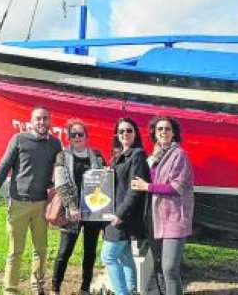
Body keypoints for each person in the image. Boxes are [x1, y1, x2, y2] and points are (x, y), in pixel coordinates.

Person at [0, 106, 62, 295]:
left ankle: (38, 286)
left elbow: (62, 170)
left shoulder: (55, 144)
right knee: (15, 251)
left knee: (41, 250)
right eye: (38, 119)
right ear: (31, 121)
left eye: (45, 118)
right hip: (18, 202)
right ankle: (10, 289)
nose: (42, 122)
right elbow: (4, 166)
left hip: (42, 204)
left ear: (49, 121)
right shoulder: (19, 140)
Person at [131, 116, 194, 295]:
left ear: (173, 133)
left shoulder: (179, 155)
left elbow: (177, 187)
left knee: (169, 269)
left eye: (167, 129)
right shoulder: (156, 157)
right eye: (159, 129)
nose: (163, 132)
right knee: (159, 266)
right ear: (155, 134)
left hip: (174, 218)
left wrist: (147, 187)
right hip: (155, 218)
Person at [51, 118, 106, 295]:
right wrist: (72, 206)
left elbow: (106, 182)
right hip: (72, 212)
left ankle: (84, 288)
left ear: (86, 136)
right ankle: (55, 288)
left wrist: (106, 173)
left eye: (80, 134)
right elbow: (61, 184)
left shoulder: (97, 156)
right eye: (72, 134)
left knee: (90, 252)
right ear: (68, 137)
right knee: (64, 251)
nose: (76, 137)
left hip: (93, 212)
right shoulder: (62, 156)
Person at [101, 117, 150, 295]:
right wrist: (108, 174)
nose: (125, 134)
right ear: (117, 135)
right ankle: (131, 290)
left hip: (123, 215)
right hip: (118, 213)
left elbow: (135, 189)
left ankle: (123, 293)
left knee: (108, 256)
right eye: (121, 131)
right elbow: (118, 183)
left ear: (135, 133)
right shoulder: (118, 156)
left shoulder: (137, 155)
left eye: (129, 130)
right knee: (124, 256)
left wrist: (120, 214)